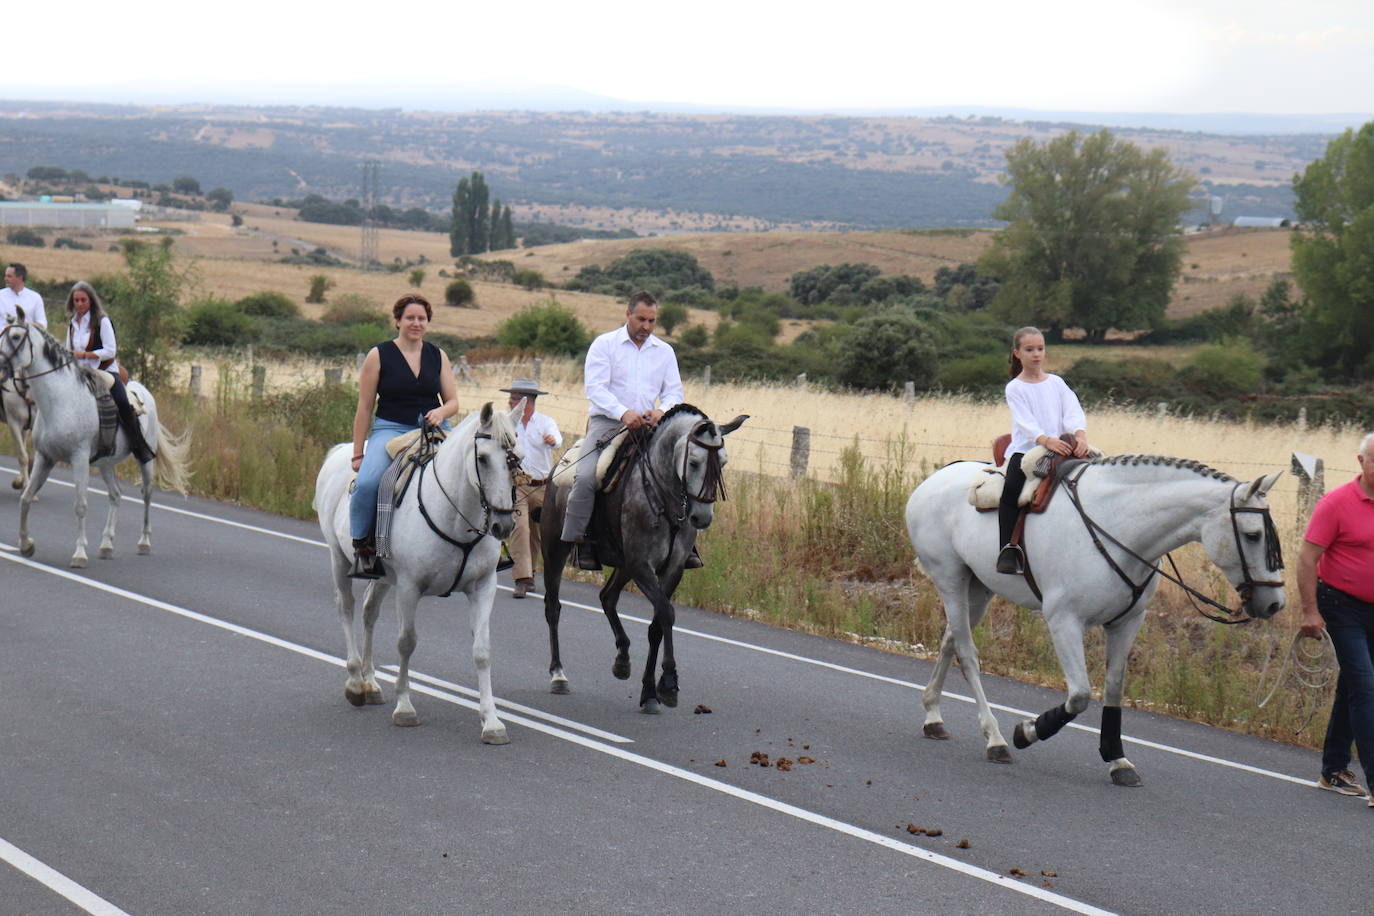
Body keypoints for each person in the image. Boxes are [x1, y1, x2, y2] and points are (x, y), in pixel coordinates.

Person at [560, 290, 684, 571]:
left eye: (652, 321)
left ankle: (683, 546)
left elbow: (674, 391)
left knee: (679, 475)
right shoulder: (605, 345)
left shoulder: (664, 351)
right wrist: (622, 412)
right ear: (628, 314)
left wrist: (662, 411)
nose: (647, 327)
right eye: (641, 319)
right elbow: (595, 388)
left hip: (650, 425)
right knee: (588, 475)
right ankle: (580, 541)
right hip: (608, 424)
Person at [348, 293, 460, 579]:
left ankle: (477, 548)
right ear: (397, 321)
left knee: (471, 474)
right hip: (391, 429)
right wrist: (358, 452)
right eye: (410, 317)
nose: (416, 323)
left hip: (433, 429)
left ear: (428, 323)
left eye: (421, 318)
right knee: (368, 483)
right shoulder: (379, 355)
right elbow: (364, 407)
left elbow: (453, 402)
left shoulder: (438, 355)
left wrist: (442, 413)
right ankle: (363, 548)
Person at [1296, 432, 1374, 804]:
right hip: (1341, 606)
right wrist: (1310, 611)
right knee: (1366, 688)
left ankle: (1333, 770)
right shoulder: (1337, 503)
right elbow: (1308, 559)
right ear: (1361, 461)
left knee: (1356, 687)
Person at [996, 326, 1090, 575]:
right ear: (1017, 353)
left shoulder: (1057, 383)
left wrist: (1079, 435)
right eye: (1029, 350)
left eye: (1040, 348)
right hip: (1027, 450)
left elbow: (1072, 410)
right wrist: (1046, 440)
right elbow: (1025, 422)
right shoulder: (1015, 388)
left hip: (1062, 446)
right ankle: (1007, 548)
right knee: (1011, 492)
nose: (1036, 354)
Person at [64, 281, 155, 464]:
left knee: (121, 400)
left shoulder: (102, 321)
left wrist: (85, 354)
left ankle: (138, 445)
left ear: (91, 301)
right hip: (79, 371)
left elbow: (110, 350)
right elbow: (68, 348)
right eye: (76, 301)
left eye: (83, 300)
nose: (80, 304)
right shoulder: (73, 323)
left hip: (102, 370)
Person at [500, 378, 563, 598]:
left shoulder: (545, 422)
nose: (510, 402)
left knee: (538, 533)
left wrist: (552, 439)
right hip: (518, 484)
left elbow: (558, 440)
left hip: (543, 486)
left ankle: (532, 572)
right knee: (520, 528)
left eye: (515, 399)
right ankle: (523, 578)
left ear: (527, 402)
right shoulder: (507, 423)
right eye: (511, 398)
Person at [2, 263, 48, 328]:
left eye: (9, 276)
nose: (5, 278)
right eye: (5, 276)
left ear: (20, 278)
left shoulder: (35, 298)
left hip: (26, 337)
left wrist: (26, 325)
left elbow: (42, 323)